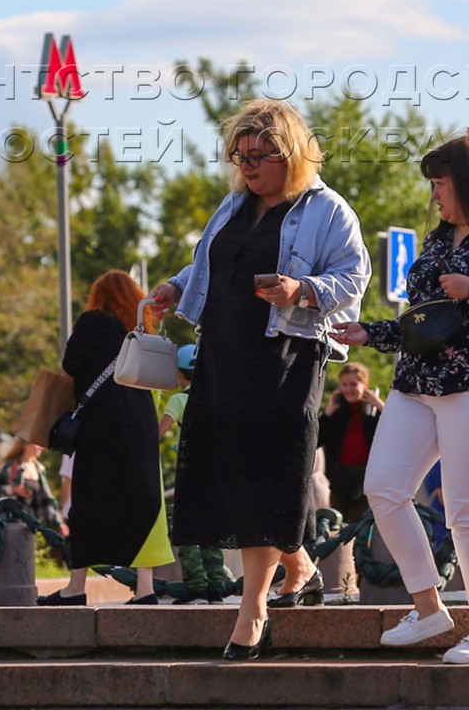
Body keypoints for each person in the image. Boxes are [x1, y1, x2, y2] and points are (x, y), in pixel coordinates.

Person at [149, 99, 369, 659]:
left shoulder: (327, 209)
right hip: (222, 351)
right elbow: (208, 260)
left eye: (259, 155)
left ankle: (253, 612)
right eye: (238, 155)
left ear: (289, 154)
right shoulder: (233, 204)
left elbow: (353, 277)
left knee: (265, 472)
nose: (246, 166)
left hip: (285, 355)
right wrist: (176, 287)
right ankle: (299, 564)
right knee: (227, 467)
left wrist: (303, 290)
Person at [331, 130, 469, 666]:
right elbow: (423, 322)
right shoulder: (435, 242)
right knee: (383, 487)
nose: (434, 195)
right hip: (417, 383)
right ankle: (428, 607)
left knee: (466, 511)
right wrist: (372, 334)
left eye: (440, 184)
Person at [40, 271, 175, 607]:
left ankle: (76, 587)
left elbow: (70, 363)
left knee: (89, 498)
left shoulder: (92, 321)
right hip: (141, 421)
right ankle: (145, 589)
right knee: (143, 496)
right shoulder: (140, 326)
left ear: (99, 296)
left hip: (100, 422)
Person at [158, 344, 233, 604]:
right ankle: (216, 587)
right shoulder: (218, 398)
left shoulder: (179, 400)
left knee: (187, 529)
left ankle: (196, 585)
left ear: (181, 374)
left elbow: (158, 433)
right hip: (215, 470)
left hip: (190, 471)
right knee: (212, 529)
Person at [317, 361, 383, 523]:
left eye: (354, 384)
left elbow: (397, 434)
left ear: (364, 385)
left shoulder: (372, 414)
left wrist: (381, 406)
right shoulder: (337, 414)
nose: (349, 389)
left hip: (366, 482)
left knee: (356, 530)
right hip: (340, 480)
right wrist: (328, 412)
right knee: (336, 530)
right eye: (345, 385)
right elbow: (316, 441)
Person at [0, 439, 63, 535]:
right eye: (37, 444)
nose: (41, 448)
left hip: (35, 527)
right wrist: (12, 489)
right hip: (12, 525)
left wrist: (58, 522)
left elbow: (47, 500)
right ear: (26, 445)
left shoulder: (38, 469)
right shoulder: (10, 466)